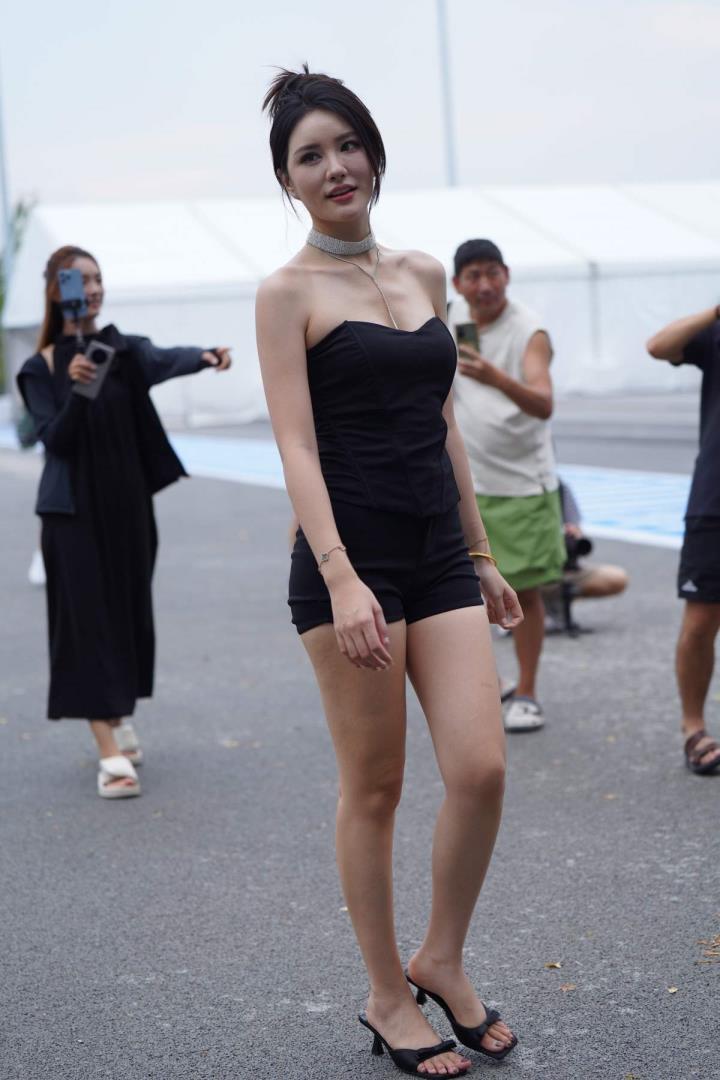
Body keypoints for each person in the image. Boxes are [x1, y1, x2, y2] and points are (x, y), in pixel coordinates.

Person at [256, 67, 522, 1077]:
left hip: (438, 550)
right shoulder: (286, 293)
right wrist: (339, 576)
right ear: (288, 180)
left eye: (346, 145)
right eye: (309, 157)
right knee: (375, 788)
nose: (335, 167)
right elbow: (295, 444)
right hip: (349, 560)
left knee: (482, 769)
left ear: (373, 153)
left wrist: (482, 550)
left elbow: (444, 420)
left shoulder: (422, 272)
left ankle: (440, 957)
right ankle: (385, 994)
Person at [16, 245, 231, 798]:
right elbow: (55, 441)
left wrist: (206, 356)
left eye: (96, 278)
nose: (90, 289)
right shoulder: (39, 368)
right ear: (56, 290)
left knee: (126, 613)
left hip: (129, 508)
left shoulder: (122, 348)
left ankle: (117, 714)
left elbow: (163, 358)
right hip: (71, 515)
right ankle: (107, 747)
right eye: (78, 280)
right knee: (86, 622)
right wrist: (79, 389)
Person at [449, 240, 565, 732]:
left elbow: (543, 402)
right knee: (458, 594)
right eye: (473, 275)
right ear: (457, 284)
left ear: (507, 275)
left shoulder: (528, 330)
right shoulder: (448, 317)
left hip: (521, 484)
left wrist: (496, 378)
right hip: (465, 481)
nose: (485, 285)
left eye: (493, 273)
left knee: (525, 593)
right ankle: (490, 683)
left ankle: (529, 692)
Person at [647, 304, 720, 775]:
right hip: (714, 497)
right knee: (700, 622)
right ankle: (693, 726)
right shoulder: (715, 332)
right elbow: (659, 346)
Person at [541, 480, 629, 632]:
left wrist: (572, 534)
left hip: (560, 568)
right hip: (523, 570)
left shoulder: (558, 487)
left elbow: (575, 530)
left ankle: (553, 605)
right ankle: (525, 608)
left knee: (617, 577)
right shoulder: (507, 487)